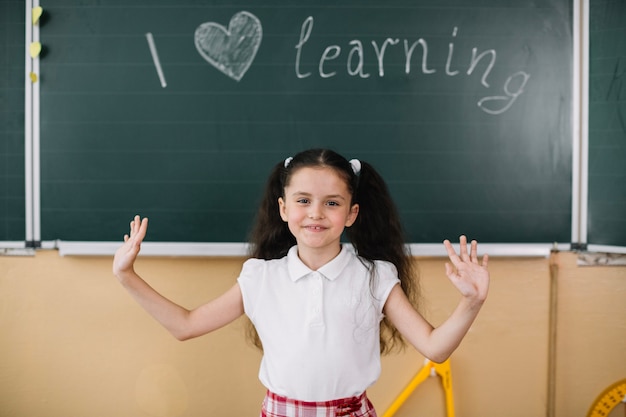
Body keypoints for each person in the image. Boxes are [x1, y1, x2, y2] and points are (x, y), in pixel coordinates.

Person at [113, 148, 489, 417]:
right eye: (303, 200)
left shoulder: (375, 276)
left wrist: (471, 302)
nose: (315, 214)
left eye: (332, 203)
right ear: (283, 208)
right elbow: (185, 325)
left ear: (352, 212)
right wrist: (126, 276)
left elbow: (434, 347)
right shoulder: (261, 276)